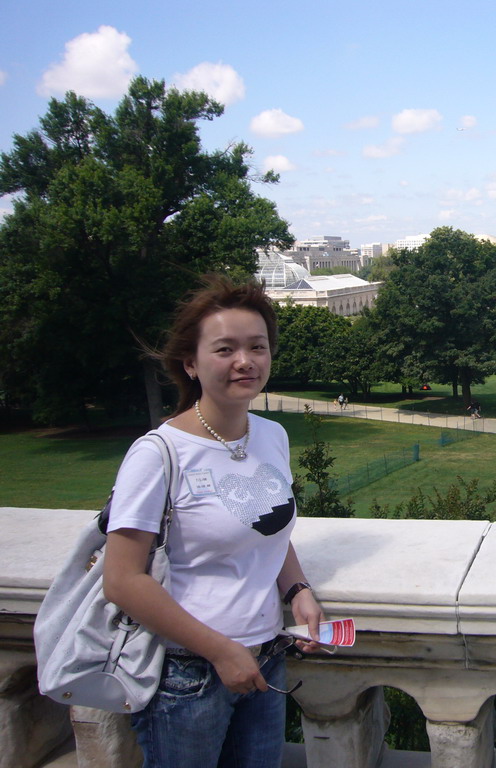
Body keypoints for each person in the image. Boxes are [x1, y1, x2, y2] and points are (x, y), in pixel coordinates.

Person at [103, 275, 325, 767]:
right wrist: (220, 651)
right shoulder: (160, 452)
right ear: (191, 363)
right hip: (187, 672)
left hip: (266, 656)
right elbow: (121, 580)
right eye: (225, 349)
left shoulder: (271, 436)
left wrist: (298, 591)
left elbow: (265, 527)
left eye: (257, 347)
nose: (245, 361)